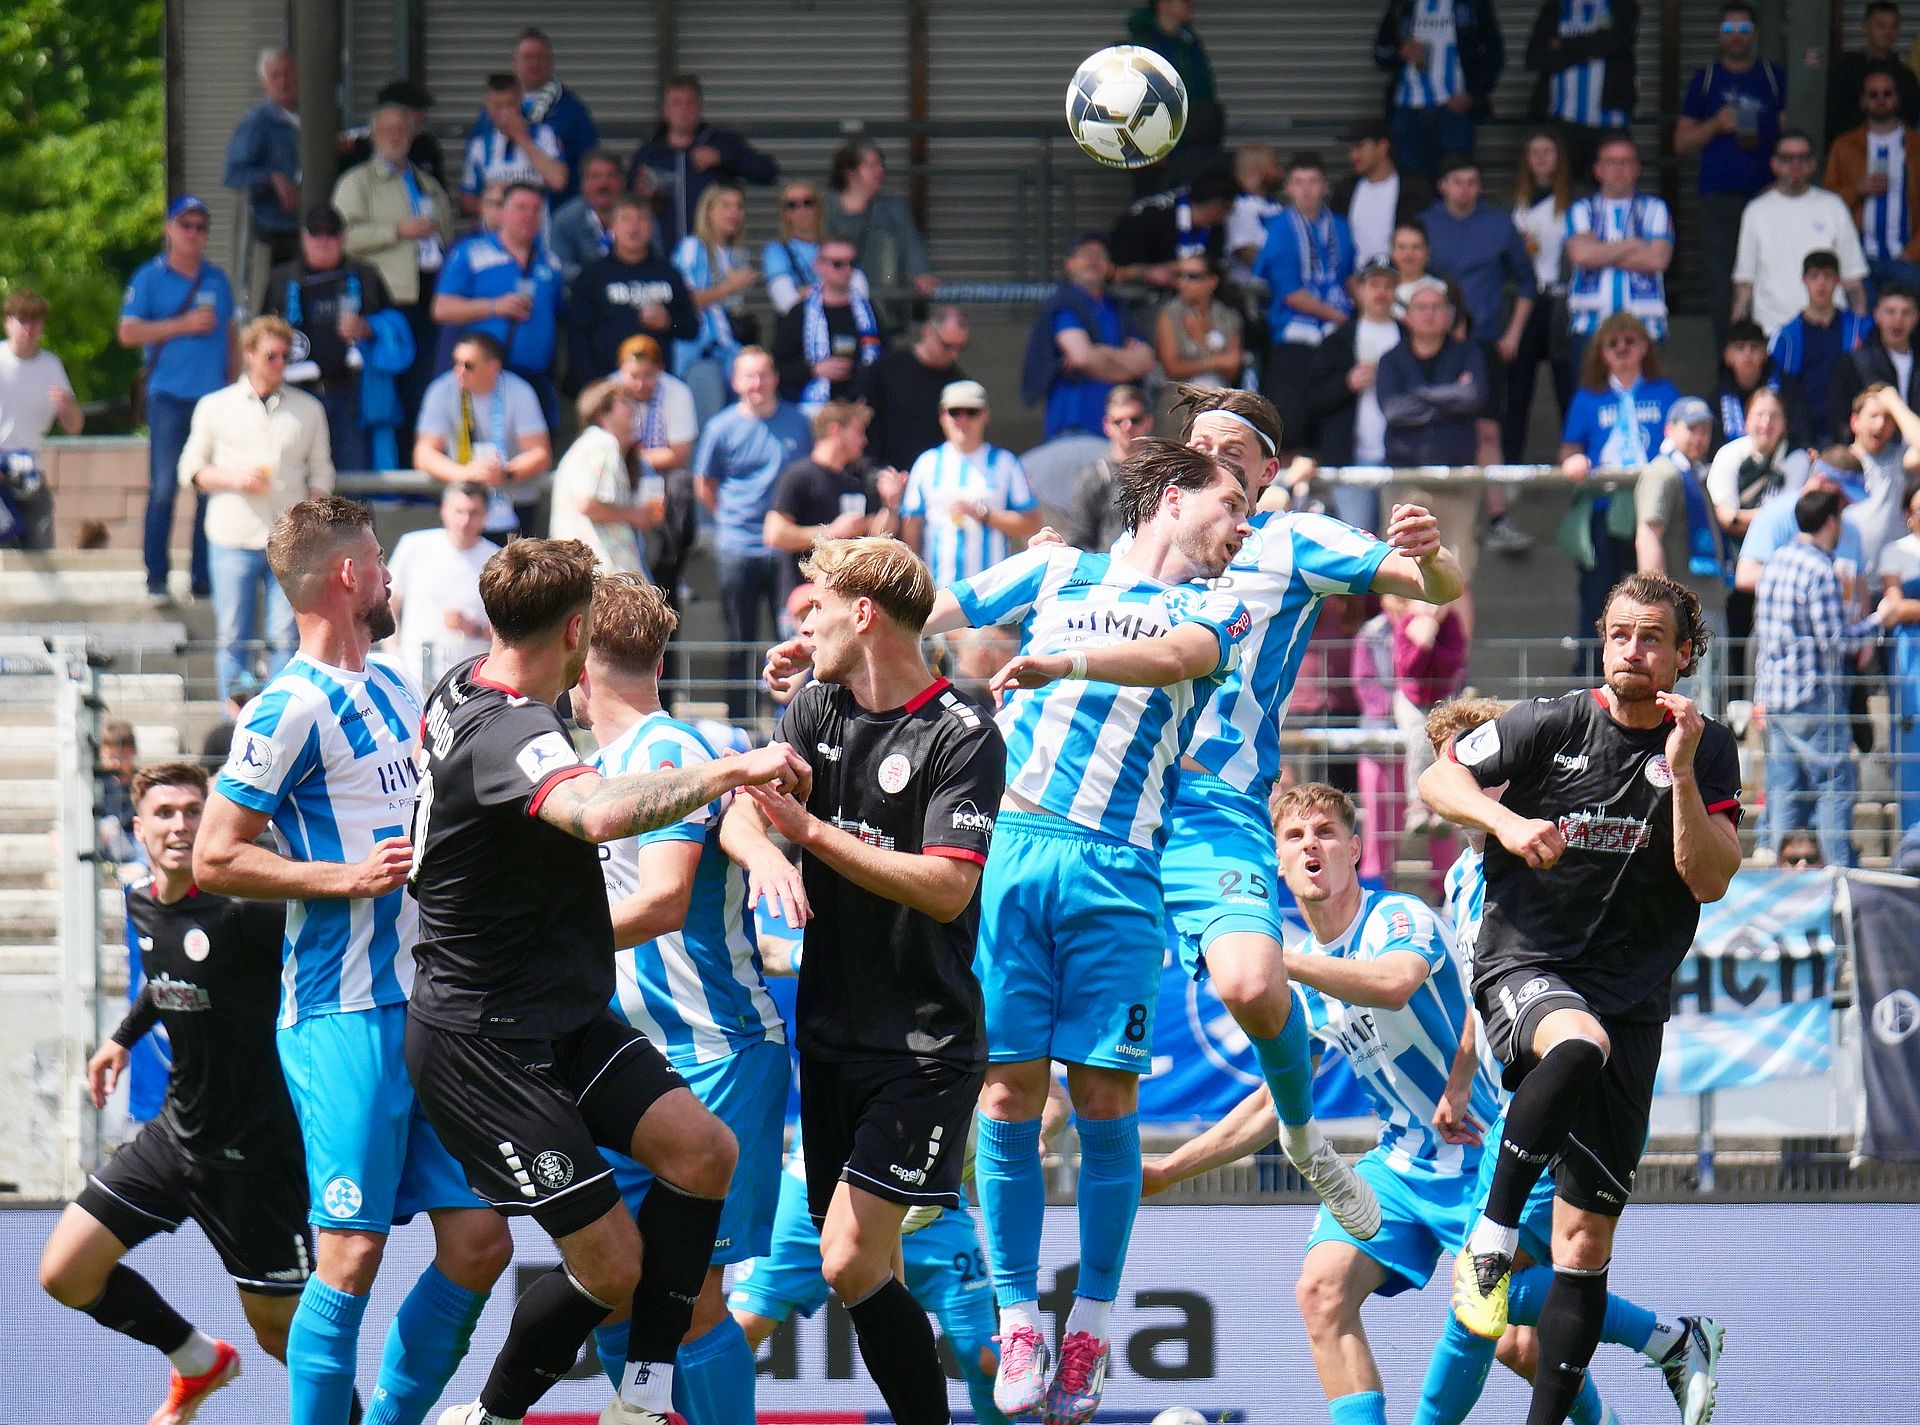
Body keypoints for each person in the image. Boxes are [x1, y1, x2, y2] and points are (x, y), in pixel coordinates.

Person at [403, 539, 804, 1425]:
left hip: (568, 1013)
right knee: (614, 1265)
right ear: (576, 632)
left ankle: (643, 1399)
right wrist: (732, 768)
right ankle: (490, 1416)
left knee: (704, 1153)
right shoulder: (517, 730)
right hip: (489, 1043)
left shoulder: (464, 683)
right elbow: (592, 814)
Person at [193, 497, 514, 1425]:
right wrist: (343, 877)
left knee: (480, 1242)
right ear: (347, 576)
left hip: (431, 1011)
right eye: (378, 559)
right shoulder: (288, 706)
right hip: (343, 1011)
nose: (389, 576)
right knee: (350, 1254)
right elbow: (215, 855)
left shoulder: (396, 689)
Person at [1419, 570, 1742, 1425]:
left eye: (1652, 638)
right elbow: (1438, 780)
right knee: (1576, 1042)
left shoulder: (1708, 748)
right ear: (1603, 640)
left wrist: (1680, 775)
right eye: (1619, 634)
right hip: (1528, 962)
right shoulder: (1551, 721)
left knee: (1583, 1245)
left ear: (1683, 655)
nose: (1633, 650)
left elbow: (1709, 878)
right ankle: (1489, 1243)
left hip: (1634, 1000)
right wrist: (1507, 823)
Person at [571, 573, 800, 1425]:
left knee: (693, 1298)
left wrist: (538, 950)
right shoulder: (590, 770)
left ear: (575, 658)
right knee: (610, 1289)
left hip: (712, 1051)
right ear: (661, 659)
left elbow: (664, 900)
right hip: (627, 1061)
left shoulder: (666, 749)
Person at [38, 762, 315, 1425]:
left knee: (290, 1343)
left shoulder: (248, 908)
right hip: (173, 1136)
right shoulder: (141, 899)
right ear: (138, 829)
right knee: (65, 1272)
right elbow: (168, 971)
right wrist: (122, 1038)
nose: (180, 825)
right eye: (164, 813)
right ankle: (197, 1359)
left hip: (255, 1155)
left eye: (194, 811)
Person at [727, 1130, 1008, 1425]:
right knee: (741, 1331)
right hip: (816, 1189)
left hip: (929, 1201)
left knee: (985, 1358)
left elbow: (1015, 1108)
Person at [182, 315, 335, 701]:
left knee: (286, 636)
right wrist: (234, 478)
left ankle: (282, 717)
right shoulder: (215, 406)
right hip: (232, 536)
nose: (279, 364)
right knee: (233, 636)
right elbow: (191, 470)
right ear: (249, 355)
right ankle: (234, 722)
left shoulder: (308, 409)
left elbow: (322, 470)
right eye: (271, 356)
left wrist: (313, 515)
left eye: (285, 357)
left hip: (289, 541)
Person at [1755, 486, 1897, 864]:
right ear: (1831, 522)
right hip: (1813, 694)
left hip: (1777, 695)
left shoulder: (1775, 562)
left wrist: (1759, 696)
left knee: (1785, 789)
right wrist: (1880, 619)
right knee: (1834, 784)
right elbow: (1836, 641)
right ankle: (1838, 874)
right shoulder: (1820, 569)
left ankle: (1782, 877)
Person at [120, 195, 237, 603]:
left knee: (209, 489)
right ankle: (156, 576)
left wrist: (235, 385)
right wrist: (182, 324)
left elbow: (232, 336)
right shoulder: (149, 277)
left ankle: (202, 578)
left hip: (213, 400)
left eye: (200, 227)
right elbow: (128, 332)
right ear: (170, 229)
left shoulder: (217, 279)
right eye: (185, 225)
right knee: (165, 488)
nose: (193, 233)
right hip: (168, 397)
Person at [694, 347, 812, 720]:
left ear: (775, 378)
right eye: (749, 376)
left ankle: (789, 721)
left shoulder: (799, 422)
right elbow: (705, 483)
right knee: (739, 639)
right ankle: (741, 721)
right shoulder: (720, 427)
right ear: (735, 381)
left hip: (786, 549)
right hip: (737, 548)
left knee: (790, 636)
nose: (757, 383)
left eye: (763, 375)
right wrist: (730, 519)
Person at [1558, 312, 1678, 674]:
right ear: (1601, 353)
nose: (1622, 348)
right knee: (1598, 592)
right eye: (1613, 343)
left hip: (1654, 506)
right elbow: (1569, 448)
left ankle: (1658, 667)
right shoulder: (1587, 398)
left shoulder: (1665, 392)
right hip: (1604, 505)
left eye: (1630, 341)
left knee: (1654, 591)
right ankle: (1591, 671)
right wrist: (1573, 460)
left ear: (1645, 347)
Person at [334, 101, 456, 431]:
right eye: (387, 129)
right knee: (392, 390)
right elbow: (342, 237)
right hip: (387, 298)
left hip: (432, 296)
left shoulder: (429, 184)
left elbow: (448, 236)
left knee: (427, 384)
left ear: (413, 135)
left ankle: (423, 454)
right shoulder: (357, 182)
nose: (396, 135)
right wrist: (397, 231)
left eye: (403, 129)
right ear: (373, 136)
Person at [1674, 1, 1789, 347]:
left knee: (1772, 279)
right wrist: (1715, 124)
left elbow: (1792, 137)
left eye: (1743, 29)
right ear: (1718, 35)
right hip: (1718, 198)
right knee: (1723, 285)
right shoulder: (1706, 79)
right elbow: (1680, 142)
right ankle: (1729, 363)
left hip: (1768, 196)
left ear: (1755, 34)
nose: (1736, 36)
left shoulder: (1773, 77)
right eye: (1729, 29)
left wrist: (1781, 180)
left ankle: (1766, 360)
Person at [263, 205, 392, 473]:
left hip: (352, 395)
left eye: (331, 233)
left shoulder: (365, 275)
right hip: (295, 394)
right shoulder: (281, 279)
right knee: (295, 474)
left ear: (343, 238)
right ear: (304, 237)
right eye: (316, 233)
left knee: (353, 477)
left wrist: (368, 327)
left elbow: (394, 328)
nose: (324, 241)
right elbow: (262, 334)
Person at [1421, 154, 1536, 450]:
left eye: (1472, 183)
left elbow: (1527, 282)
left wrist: (1513, 335)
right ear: (1442, 186)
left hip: (1486, 341)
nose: (1465, 189)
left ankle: (1494, 483)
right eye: (1457, 182)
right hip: (1433, 341)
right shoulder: (1425, 224)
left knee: (1488, 427)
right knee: (1436, 422)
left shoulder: (1499, 223)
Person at [432, 182, 565, 429]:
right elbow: (442, 309)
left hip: (535, 379)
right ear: (502, 211)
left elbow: (558, 316)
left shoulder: (550, 261)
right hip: (483, 377)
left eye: (536, 209)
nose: (529, 215)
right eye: (521, 207)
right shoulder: (470, 253)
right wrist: (494, 307)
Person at [1256, 153, 1357, 455]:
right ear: (1288, 188)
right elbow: (1289, 292)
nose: (1306, 190)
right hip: (1294, 338)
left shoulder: (1340, 226)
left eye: (1313, 182)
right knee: (1291, 420)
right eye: (1299, 182)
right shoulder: (1279, 226)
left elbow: (1349, 277)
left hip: (1334, 338)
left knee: (1332, 413)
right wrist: (1339, 317)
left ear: (1325, 186)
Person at [1634, 398, 1729, 711]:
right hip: (1682, 611)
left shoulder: (1693, 473)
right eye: (1692, 429)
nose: (1700, 437)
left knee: (1708, 699)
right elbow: (1649, 534)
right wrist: (1657, 601)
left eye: (1705, 430)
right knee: (1687, 697)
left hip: (1705, 605)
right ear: (1670, 429)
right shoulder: (1664, 473)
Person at [413, 330, 553, 539]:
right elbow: (424, 454)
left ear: (493, 367)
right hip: (465, 503)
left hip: (514, 502)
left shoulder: (520, 391)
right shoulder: (441, 390)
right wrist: (465, 474)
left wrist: (505, 473)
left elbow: (540, 453)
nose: (459, 371)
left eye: (468, 365)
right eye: (455, 363)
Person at [901, 380, 1041, 590]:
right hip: (938, 591)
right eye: (955, 412)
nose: (963, 420)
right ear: (943, 416)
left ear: (985, 415)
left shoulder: (1005, 462)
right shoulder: (926, 463)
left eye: (971, 412)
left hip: (992, 592)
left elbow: (1031, 523)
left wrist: (983, 514)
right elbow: (911, 526)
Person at [1733, 129, 1870, 335]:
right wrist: (1737, 336)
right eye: (1787, 158)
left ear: (1813, 164)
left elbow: (1852, 279)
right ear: (1774, 164)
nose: (1795, 165)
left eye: (1803, 158)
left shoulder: (1833, 207)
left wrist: (1860, 332)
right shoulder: (1756, 211)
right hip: (1772, 329)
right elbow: (1745, 283)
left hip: (1829, 329)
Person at [1019, 232, 1153, 441]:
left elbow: (1146, 361)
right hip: (1074, 425)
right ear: (1069, 264)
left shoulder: (1117, 307)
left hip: (1121, 430)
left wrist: (1101, 355)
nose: (1092, 261)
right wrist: (1126, 365)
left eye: (1100, 255)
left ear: (1109, 266)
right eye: (1085, 255)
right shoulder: (1063, 303)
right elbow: (1082, 357)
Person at [628, 72, 780, 252]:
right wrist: (641, 197)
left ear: (700, 107)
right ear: (665, 110)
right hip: (661, 255)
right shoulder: (649, 153)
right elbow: (626, 198)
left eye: (690, 103)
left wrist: (722, 158)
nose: (684, 110)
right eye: (676, 103)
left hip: (715, 254)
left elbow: (768, 172)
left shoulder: (721, 142)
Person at [1563, 132, 1673, 372]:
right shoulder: (1580, 209)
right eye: (1611, 162)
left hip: (1645, 328)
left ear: (1637, 169)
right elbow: (1581, 256)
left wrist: (1599, 251)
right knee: (1590, 395)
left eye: (1626, 162)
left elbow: (1657, 260)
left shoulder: (1656, 208)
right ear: (1598, 170)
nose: (1619, 169)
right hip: (1590, 328)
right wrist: (1633, 244)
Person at [1306, 259, 1403, 532]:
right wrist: (1346, 384)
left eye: (1388, 285)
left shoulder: (1410, 336)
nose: (1381, 292)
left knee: (1400, 543)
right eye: (1374, 284)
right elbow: (1312, 399)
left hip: (1401, 457)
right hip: (1351, 456)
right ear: (1359, 290)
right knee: (1358, 542)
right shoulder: (1337, 339)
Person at [765, 400, 897, 597]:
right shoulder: (799, 476)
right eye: (858, 432)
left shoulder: (858, 479)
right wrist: (831, 532)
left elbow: (879, 537)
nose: (864, 441)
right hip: (805, 598)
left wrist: (890, 504)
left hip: (847, 596)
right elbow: (774, 534)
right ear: (835, 430)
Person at [569, 194, 700, 386]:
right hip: (608, 384)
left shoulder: (669, 274)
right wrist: (592, 385)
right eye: (626, 219)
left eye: (641, 220)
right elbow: (578, 337)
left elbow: (692, 328)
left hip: (657, 385)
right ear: (612, 226)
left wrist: (668, 322)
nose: (634, 227)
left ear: (651, 227)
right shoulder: (592, 276)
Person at [1372, 0, 1507, 182]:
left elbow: (1495, 53)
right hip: (1407, 109)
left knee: (1455, 178)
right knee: (1410, 182)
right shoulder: (1403, 4)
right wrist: (1400, 52)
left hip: (1454, 109)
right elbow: (1381, 53)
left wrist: (1473, 95)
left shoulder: (1473, 4)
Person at [386, 482, 498, 691]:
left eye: (473, 513)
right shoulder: (414, 546)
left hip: (471, 682)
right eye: (459, 511)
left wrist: (474, 628)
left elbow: (509, 631)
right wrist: (395, 655)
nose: (465, 521)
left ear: (486, 515)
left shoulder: (497, 559)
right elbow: (388, 604)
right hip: (415, 677)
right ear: (444, 510)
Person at [1822, 61, 1920, 299]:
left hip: (1906, 258)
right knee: (1861, 321)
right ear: (1863, 101)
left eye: (1887, 94)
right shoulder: (1844, 146)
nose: (1880, 100)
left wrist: (1914, 252)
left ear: (1897, 99)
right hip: (1859, 258)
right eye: (1873, 95)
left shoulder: (1916, 145)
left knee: (1908, 320)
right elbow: (1826, 204)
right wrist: (1857, 189)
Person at [1506, 129, 1576, 460]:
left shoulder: (1573, 202)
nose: (1541, 158)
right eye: (1534, 151)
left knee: (1566, 388)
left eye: (1548, 150)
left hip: (1562, 302)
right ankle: (1510, 471)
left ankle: (1574, 463)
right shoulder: (1516, 202)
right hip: (1527, 301)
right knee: (1518, 393)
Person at [0, 288, 81, 550]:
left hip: (30, 468)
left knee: (40, 545)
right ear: (8, 323)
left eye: (34, 322)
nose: (28, 329)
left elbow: (74, 426)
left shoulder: (50, 365)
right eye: (22, 320)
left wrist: (67, 406)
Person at [1377, 278, 1488, 469]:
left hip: (1457, 471)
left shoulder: (1469, 353)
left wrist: (1419, 393)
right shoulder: (1390, 359)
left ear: (1449, 315)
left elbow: (1472, 397)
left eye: (1436, 307)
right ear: (1408, 317)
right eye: (1421, 307)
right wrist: (1452, 399)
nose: (1429, 313)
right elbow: (1393, 410)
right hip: (1404, 469)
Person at [674, 183, 760, 426]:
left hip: (730, 353)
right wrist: (730, 287)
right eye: (726, 205)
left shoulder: (732, 253)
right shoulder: (692, 247)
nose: (734, 213)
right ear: (709, 211)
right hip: (701, 355)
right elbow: (684, 301)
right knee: (708, 427)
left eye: (739, 206)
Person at [1771, 249, 1875, 448]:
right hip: (1802, 436)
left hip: (1852, 432)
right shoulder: (1786, 337)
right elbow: (1776, 389)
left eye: (1827, 276)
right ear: (1804, 280)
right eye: (1814, 276)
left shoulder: (1861, 329)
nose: (1821, 283)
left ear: (1837, 280)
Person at [549, 380, 654, 573]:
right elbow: (588, 504)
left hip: (577, 567)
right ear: (601, 412)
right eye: (624, 402)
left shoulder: (587, 445)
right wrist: (634, 514)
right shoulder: (603, 443)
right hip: (600, 567)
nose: (632, 408)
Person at [1524, 0, 1640, 174]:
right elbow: (1534, 58)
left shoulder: (1622, 5)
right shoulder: (1554, 8)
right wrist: (1592, 51)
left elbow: (1614, 42)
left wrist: (1563, 44)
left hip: (1610, 121)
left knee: (1615, 182)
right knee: (1560, 184)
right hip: (1561, 120)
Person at [773, 234, 885, 409]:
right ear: (818, 266)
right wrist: (814, 370)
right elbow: (777, 368)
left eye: (852, 263)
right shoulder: (800, 313)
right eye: (838, 264)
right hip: (814, 411)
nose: (847, 270)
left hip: (862, 407)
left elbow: (886, 359)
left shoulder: (869, 311)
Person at [1124, 0, 1225, 187]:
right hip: (1161, 155)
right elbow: (1131, 99)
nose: (1190, 4)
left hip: (1198, 147)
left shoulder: (1190, 43)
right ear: (1162, 4)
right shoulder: (1143, 45)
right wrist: (1149, 147)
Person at [861, 305, 972, 472]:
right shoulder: (886, 370)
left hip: (936, 476)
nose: (953, 354)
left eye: (960, 348)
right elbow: (865, 421)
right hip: (888, 473)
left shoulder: (959, 385)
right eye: (946, 345)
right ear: (927, 331)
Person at [825, 139, 940, 300]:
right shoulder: (824, 208)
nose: (880, 171)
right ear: (849, 173)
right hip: (833, 301)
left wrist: (921, 274)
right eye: (871, 165)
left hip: (884, 304)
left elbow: (912, 247)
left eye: (880, 165)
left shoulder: (894, 209)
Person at [224, 48, 302, 265]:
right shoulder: (256, 122)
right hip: (276, 231)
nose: (283, 82)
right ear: (264, 83)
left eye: (287, 73)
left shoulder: (315, 115)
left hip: (313, 227)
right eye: (276, 76)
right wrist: (270, 178)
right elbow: (232, 174)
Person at [504, 27, 599, 204]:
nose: (534, 64)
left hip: (559, 210)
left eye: (540, 57)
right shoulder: (499, 106)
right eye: (527, 57)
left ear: (551, 63)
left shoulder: (571, 109)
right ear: (514, 62)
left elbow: (590, 162)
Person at [1333, 118, 1437, 271]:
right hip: (1355, 280)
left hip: (1401, 279)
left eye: (1359, 147)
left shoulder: (1414, 189)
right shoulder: (1345, 190)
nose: (1353, 156)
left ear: (1382, 147)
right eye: (1351, 149)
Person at [458, 72, 567, 216]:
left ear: (520, 101)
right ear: (488, 105)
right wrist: (497, 207)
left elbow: (558, 181)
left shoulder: (545, 135)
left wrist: (523, 139)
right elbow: (467, 200)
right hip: (495, 229)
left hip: (536, 228)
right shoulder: (479, 145)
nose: (504, 114)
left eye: (510, 105)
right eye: (497, 106)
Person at [1107, 170, 1235, 292]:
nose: (1228, 216)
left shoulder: (1215, 228)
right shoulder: (1150, 217)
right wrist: (1151, 271)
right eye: (1230, 209)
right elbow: (1120, 268)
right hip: (1139, 291)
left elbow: (1217, 266)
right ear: (1215, 208)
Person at [1061, 384, 1150, 550]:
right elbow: (1079, 538)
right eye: (1118, 421)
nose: (1127, 427)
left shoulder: (1162, 472)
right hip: (1108, 563)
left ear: (1148, 421)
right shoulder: (1095, 475)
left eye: (1134, 420)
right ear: (1107, 425)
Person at [1879, 481, 1920, 829]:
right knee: (1911, 734)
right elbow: (1895, 608)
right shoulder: (1894, 552)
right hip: (1911, 652)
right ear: (1908, 514)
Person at [1830, 279, 1920, 432]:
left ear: (1915, 318)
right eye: (1890, 312)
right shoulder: (1855, 362)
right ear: (1877, 315)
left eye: (1906, 313)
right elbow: (1840, 417)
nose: (1898, 319)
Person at [1829, 1, 1920, 147]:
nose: (1888, 33)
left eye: (1894, 27)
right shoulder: (1844, 71)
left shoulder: (1906, 77)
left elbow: (1910, 121)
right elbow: (1835, 119)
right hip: (1853, 151)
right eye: (1881, 26)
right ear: (1865, 28)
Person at [1153, 253, 1243, 390]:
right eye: (1180, 275)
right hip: (1181, 395)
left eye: (1192, 276)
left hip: (1221, 394)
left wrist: (1200, 338)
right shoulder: (1169, 315)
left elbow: (1232, 370)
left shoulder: (1229, 317)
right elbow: (1172, 369)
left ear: (1212, 282)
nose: (1183, 282)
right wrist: (1218, 361)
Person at [341, 78, 450, 191]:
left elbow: (438, 191)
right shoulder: (355, 148)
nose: (422, 116)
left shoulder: (426, 146)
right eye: (415, 109)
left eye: (422, 110)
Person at [550, 150, 629, 287]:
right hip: (582, 291)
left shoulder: (640, 216)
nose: (603, 184)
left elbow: (656, 261)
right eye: (595, 177)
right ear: (583, 183)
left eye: (611, 176)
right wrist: (599, 277)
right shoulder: (565, 219)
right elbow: (559, 266)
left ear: (622, 182)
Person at [762, 180, 836, 315]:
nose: (801, 210)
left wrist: (803, 292)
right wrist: (833, 290)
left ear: (818, 207)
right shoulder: (775, 250)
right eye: (792, 205)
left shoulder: (835, 246)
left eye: (808, 203)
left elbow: (858, 290)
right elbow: (786, 302)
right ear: (784, 213)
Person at [1226, 143, 1284, 290]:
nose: (1280, 172)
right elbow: (1248, 252)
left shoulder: (1273, 206)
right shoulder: (1240, 207)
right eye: (1274, 165)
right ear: (1256, 169)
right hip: (1251, 293)